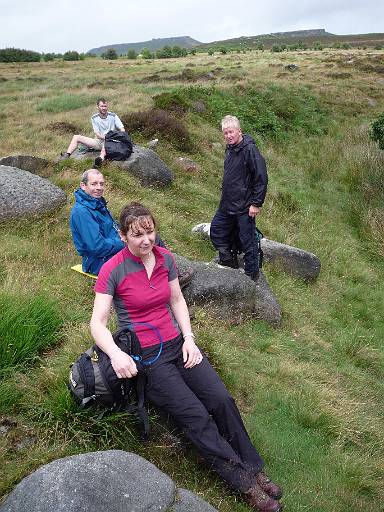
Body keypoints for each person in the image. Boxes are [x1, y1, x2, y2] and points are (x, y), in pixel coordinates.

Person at [89, 202, 283, 512]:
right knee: (196, 417)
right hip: (150, 359)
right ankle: (245, 484)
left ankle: (254, 467)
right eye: (137, 235)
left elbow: (177, 300)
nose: (146, 240)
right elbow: (97, 324)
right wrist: (114, 354)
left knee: (221, 400)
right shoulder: (112, 269)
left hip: (179, 346)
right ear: (123, 236)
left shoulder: (165, 258)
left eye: (150, 232)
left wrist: (190, 340)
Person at [210, 115, 268, 281]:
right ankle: (230, 263)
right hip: (227, 204)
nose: (228, 135)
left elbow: (261, 177)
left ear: (239, 131)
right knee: (217, 231)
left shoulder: (250, 150)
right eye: (226, 133)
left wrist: (256, 204)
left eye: (231, 132)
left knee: (248, 241)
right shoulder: (229, 149)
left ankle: (251, 275)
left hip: (244, 206)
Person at [60, 97, 125, 167]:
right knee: (76, 137)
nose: (104, 108)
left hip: (111, 141)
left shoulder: (113, 116)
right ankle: (67, 155)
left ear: (107, 106)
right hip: (98, 141)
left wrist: (116, 137)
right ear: (97, 107)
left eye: (105, 106)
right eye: (102, 106)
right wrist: (105, 137)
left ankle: (99, 161)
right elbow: (98, 134)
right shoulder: (94, 118)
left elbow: (122, 129)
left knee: (106, 144)